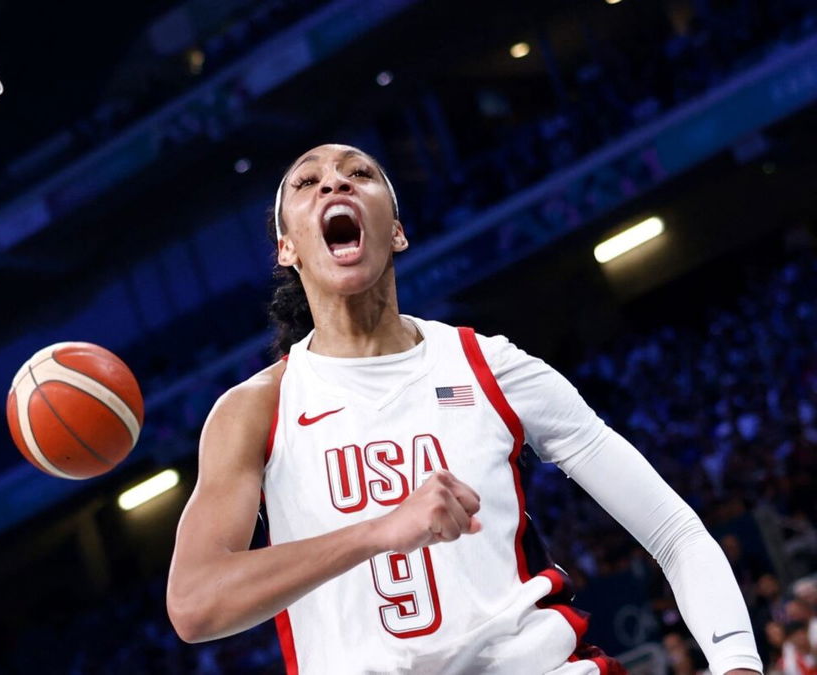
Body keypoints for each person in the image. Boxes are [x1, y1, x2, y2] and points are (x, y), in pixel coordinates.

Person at [165, 143, 765, 675]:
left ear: (396, 232)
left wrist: (736, 660)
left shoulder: (490, 366)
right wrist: (379, 532)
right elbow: (195, 604)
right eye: (307, 181)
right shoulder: (254, 410)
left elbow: (674, 532)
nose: (334, 183)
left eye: (359, 173)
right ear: (287, 249)